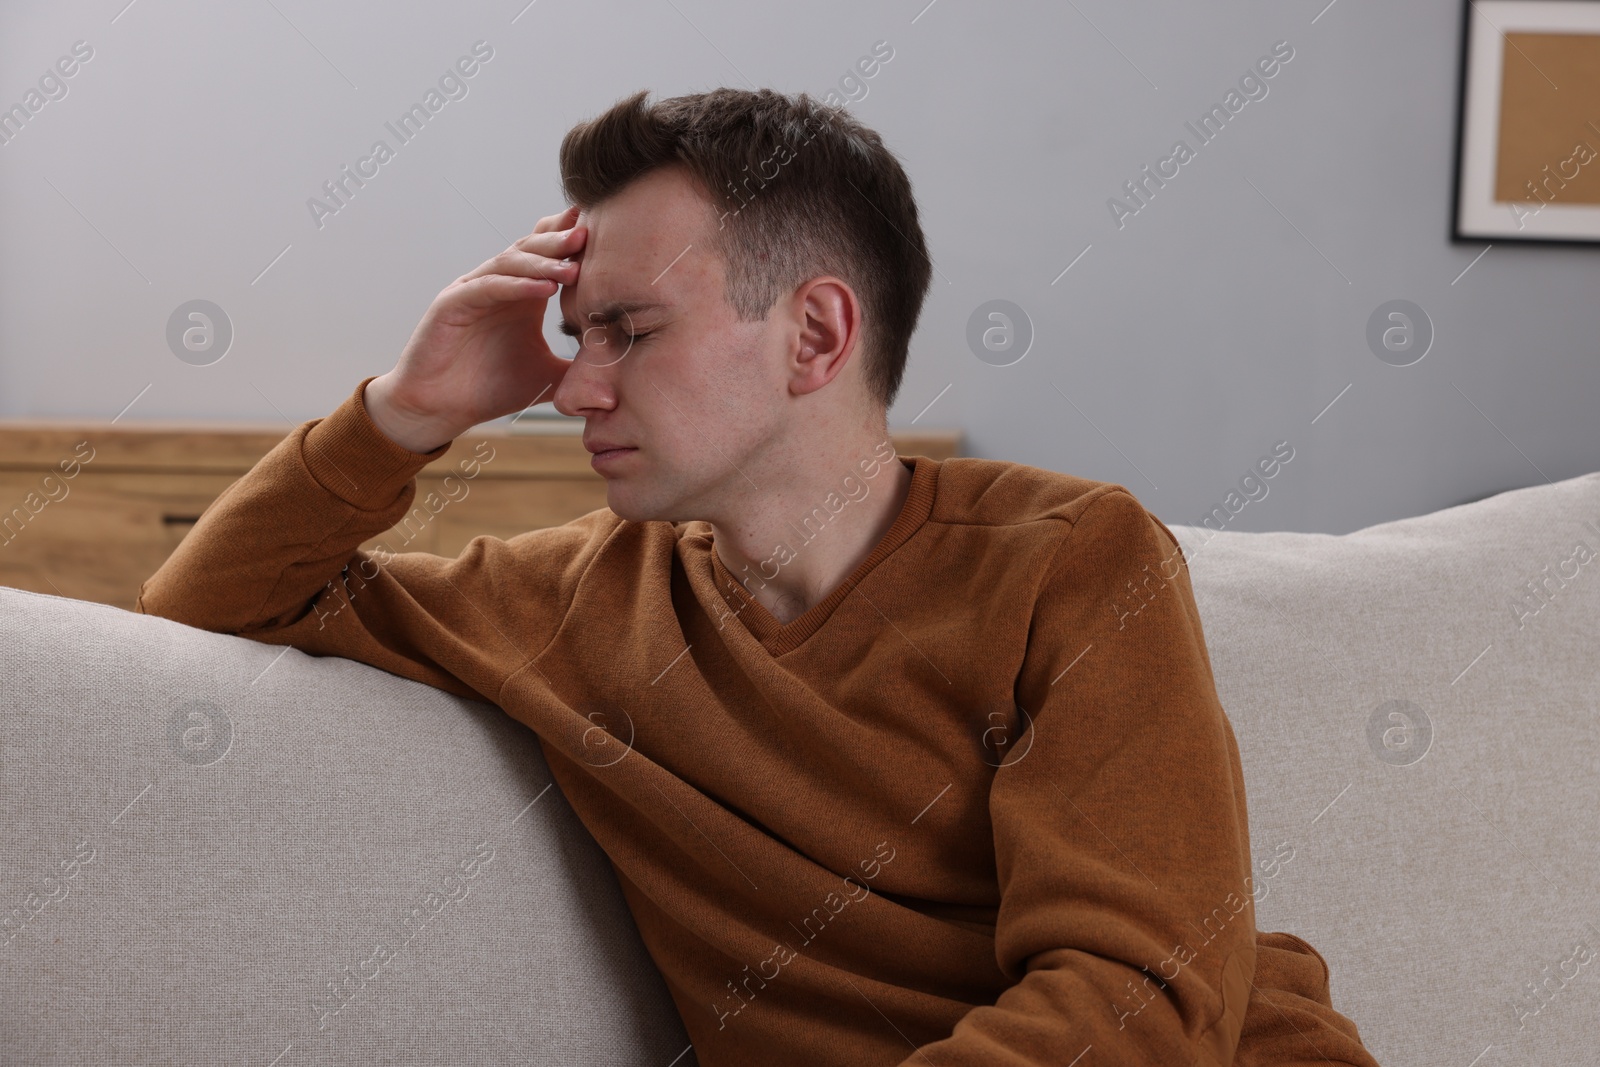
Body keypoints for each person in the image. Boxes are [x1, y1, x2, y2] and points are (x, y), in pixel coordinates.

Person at [137, 87, 1380, 1066]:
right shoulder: (573, 600)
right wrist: (406, 410)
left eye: (627, 328)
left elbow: (1137, 995)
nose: (573, 385)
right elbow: (204, 609)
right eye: (578, 336)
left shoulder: (1070, 557)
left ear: (818, 333)